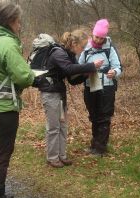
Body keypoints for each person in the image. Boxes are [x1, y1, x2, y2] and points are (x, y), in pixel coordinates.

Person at [0, 1, 35, 198]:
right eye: (18, 21)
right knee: (2, 155)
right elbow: (23, 77)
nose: (20, 25)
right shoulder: (7, 43)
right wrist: (33, 75)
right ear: (10, 21)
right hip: (4, 108)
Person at [36, 30, 103, 168]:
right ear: (74, 43)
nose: (82, 50)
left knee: (62, 126)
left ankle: (62, 156)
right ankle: (52, 158)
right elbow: (69, 69)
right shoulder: (58, 53)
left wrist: (87, 73)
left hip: (59, 93)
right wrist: (91, 66)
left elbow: (72, 79)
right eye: (82, 47)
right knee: (54, 127)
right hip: (50, 93)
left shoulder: (69, 54)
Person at [79, 19, 122, 156]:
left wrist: (114, 72)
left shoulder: (110, 48)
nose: (98, 40)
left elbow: (118, 67)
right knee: (94, 116)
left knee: (104, 117)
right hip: (90, 86)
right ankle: (94, 145)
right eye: (96, 37)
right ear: (92, 34)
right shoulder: (85, 48)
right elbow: (78, 66)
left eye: (101, 38)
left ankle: (100, 148)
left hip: (107, 88)